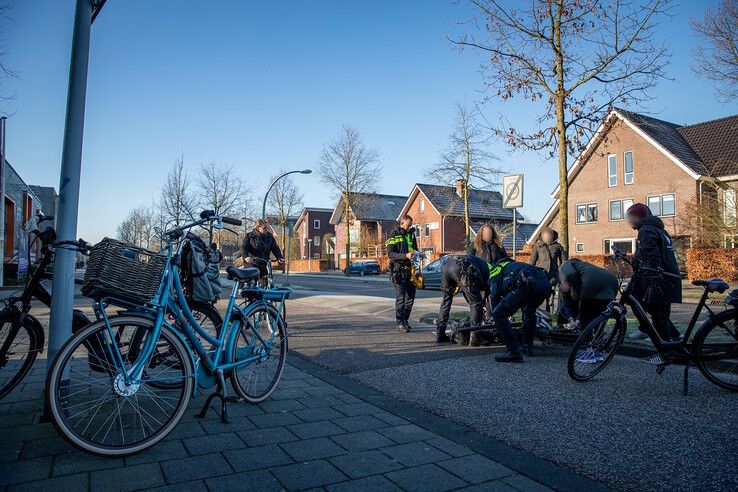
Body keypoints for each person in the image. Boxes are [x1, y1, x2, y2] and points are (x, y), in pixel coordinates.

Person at [625, 203, 682, 344]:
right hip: (660, 276)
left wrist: (652, 276)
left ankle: (663, 339)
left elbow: (651, 254)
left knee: (658, 310)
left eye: (630, 217)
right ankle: (657, 331)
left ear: (638, 217)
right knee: (636, 299)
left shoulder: (647, 230)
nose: (628, 221)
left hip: (657, 277)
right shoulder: (658, 229)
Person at [488, 258, 551, 362]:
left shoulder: (497, 268)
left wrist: (496, 315)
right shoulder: (518, 265)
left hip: (525, 283)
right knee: (529, 311)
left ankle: (514, 352)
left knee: (498, 314)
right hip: (543, 284)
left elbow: (494, 293)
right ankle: (527, 348)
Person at [435, 254, 491, 345]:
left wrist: (482, 305)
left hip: (446, 265)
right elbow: (477, 297)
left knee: (446, 299)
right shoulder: (491, 271)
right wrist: (481, 305)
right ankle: (475, 338)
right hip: (461, 265)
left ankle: (440, 334)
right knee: (476, 303)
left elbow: (468, 292)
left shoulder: (481, 265)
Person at [558, 259, 619, 334]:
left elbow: (584, 305)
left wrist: (577, 320)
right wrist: (571, 319)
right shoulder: (582, 268)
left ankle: (587, 340)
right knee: (598, 315)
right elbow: (568, 305)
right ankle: (598, 339)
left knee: (586, 316)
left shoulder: (566, 268)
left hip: (592, 283)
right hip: (612, 283)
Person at [387, 215, 420, 333]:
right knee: (401, 298)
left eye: (411, 225)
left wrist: (419, 255)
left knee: (410, 297)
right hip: (398, 270)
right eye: (408, 225)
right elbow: (390, 254)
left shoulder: (411, 234)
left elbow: (415, 250)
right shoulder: (394, 235)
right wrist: (405, 256)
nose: (409, 227)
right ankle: (399, 323)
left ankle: (405, 320)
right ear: (402, 223)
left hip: (410, 271)